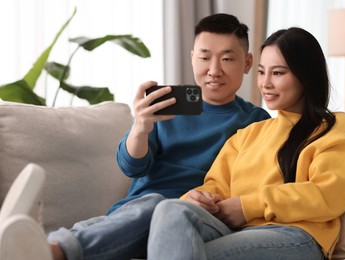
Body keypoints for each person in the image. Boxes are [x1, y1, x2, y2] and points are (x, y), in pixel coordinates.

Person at [5, 13, 270, 260]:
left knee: (161, 205)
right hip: (134, 212)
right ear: (192, 58)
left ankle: (54, 251)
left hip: (191, 216)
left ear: (247, 63)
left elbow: (253, 188)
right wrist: (140, 126)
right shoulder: (163, 109)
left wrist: (205, 200)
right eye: (204, 57)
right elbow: (132, 166)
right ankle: (36, 241)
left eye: (226, 58)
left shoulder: (257, 123)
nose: (214, 70)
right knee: (111, 221)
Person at [147, 27, 345, 260]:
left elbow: (326, 195)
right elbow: (216, 186)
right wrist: (197, 198)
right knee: (170, 209)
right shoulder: (248, 134)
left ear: (306, 75)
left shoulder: (337, 127)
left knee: (194, 254)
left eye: (278, 73)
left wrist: (246, 207)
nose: (265, 83)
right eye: (262, 72)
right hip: (235, 230)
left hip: (295, 234)